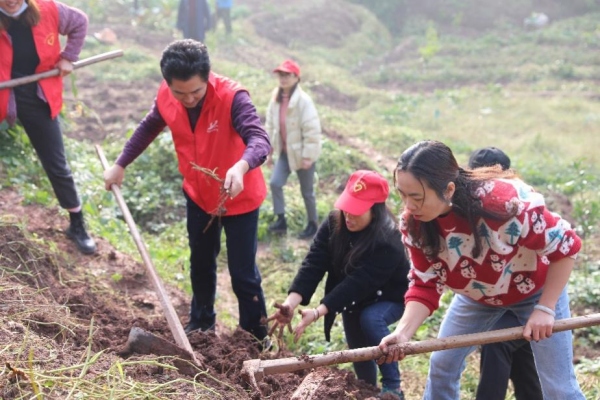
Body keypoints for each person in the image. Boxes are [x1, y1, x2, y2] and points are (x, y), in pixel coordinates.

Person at [378, 140, 584, 399]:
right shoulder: (415, 224)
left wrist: (545, 308)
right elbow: (424, 284)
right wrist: (403, 332)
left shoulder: (504, 205)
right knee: (442, 365)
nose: (407, 205)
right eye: (402, 194)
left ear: (449, 189)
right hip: (476, 296)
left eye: (416, 197)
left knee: (557, 386)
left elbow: (566, 247)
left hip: (535, 291)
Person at [103, 39, 271, 346]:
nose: (189, 99)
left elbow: (259, 140)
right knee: (201, 262)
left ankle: (256, 335)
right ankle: (201, 322)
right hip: (199, 194)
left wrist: (241, 166)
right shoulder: (168, 96)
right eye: (180, 93)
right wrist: (120, 163)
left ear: (208, 77)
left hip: (239, 197)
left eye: (196, 91)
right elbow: (150, 126)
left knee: (243, 273)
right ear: (168, 84)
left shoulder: (233, 97)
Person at [268, 170, 410, 399]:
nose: (348, 217)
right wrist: (290, 304)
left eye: (356, 212)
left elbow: (358, 283)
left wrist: (317, 312)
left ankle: (393, 389)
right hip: (355, 298)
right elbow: (314, 263)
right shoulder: (336, 223)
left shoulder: (389, 241)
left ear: (375, 209)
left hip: (392, 297)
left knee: (371, 319)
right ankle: (368, 390)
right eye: (346, 208)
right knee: (358, 351)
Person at [0, 0, 96, 255]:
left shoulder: (49, 10)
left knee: (56, 163)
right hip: (2, 92)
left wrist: (68, 57)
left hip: (37, 94)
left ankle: (77, 224)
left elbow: (79, 22)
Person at [469, 147, 543, 400]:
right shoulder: (470, 208)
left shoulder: (522, 206)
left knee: (497, 341)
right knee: (519, 352)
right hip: (500, 299)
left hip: (532, 296)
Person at [266, 59, 321, 239]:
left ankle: (313, 224)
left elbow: (312, 129)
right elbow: (271, 126)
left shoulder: (303, 101)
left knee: (307, 192)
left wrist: (308, 156)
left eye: (287, 75)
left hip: (302, 153)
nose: (283, 79)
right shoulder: (275, 99)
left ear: (297, 78)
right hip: (284, 152)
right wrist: (269, 151)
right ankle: (281, 220)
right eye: (280, 75)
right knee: (275, 183)